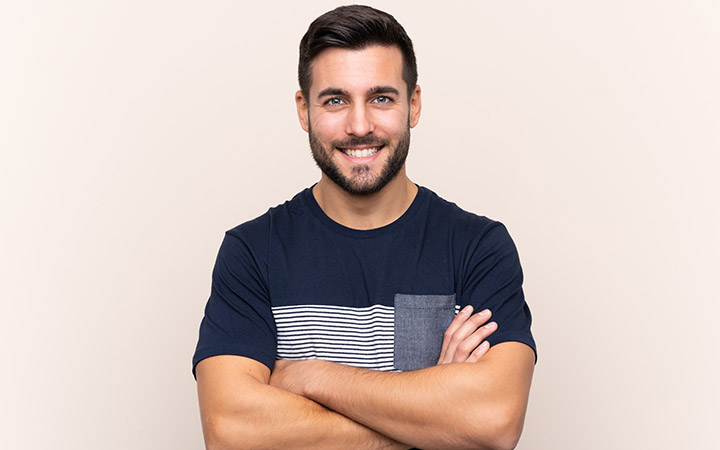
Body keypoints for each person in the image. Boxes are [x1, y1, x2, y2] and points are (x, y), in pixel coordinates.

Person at [193, 5, 536, 450]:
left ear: (413, 104)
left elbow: (493, 420)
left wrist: (313, 377)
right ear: (304, 110)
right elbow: (230, 431)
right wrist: (433, 419)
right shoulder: (252, 251)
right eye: (335, 100)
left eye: (381, 98)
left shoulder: (478, 248)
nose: (359, 126)